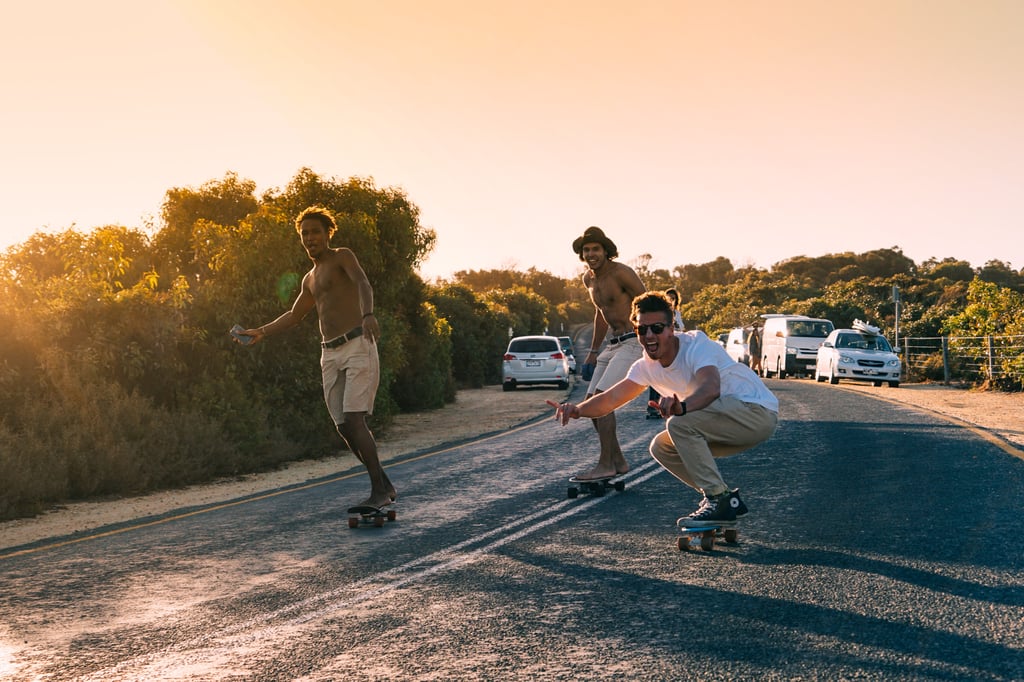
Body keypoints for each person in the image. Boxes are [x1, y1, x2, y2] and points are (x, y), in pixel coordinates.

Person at [548, 292, 779, 527]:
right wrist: (577, 410)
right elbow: (610, 399)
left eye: (657, 328)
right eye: (642, 329)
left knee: (679, 424)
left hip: (754, 411)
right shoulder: (644, 367)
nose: (649, 336)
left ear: (672, 328)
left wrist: (683, 407)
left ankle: (717, 499)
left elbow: (710, 387)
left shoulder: (695, 345)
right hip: (726, 424)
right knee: (662, 447)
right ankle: (723, 499)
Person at [234, 206, 395, 510]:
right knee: (342, 426)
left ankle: (379, 491)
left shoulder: (342, 256)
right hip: (329, 353)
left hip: (358, 343)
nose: (310, 237)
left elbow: (362, 282)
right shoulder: (309, 278)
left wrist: (368, 313)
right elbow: (295, 315)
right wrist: (262, 332)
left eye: (315, 232)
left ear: (327, 233)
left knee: (354, 418)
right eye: (304, 233)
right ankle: (384, 483)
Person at [572, 226, 647, 481]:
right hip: (612, 345)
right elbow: (601, 314)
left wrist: (654, 339)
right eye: (586, 250)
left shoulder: (622, 273)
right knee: (591, 404)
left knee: (603, 400)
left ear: (606, 251)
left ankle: (605, 465)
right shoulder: (588, 279)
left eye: (596, 249)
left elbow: (648, 302)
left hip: (633, 342)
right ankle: (618, 460)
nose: (591, 254)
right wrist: (593, 351)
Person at [647, 288, 685, 419]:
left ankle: (676, 404)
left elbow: (682, 329)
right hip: (661, 348)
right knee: (656, 377)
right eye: (669, 297)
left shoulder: (677, 314)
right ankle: (652, 407)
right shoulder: (659, 314)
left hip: (675, 350)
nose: (671, 300)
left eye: (673, 298)